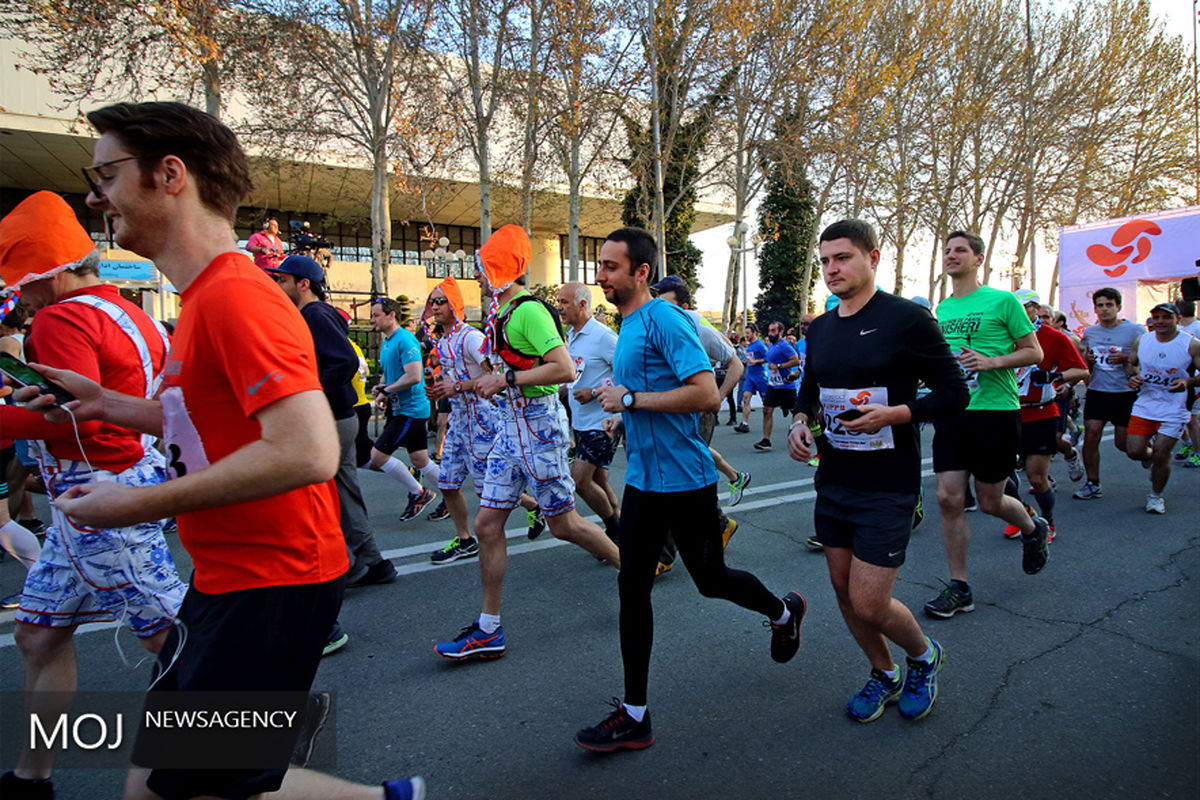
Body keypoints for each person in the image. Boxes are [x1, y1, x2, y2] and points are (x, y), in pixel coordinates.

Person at [18, 101, 425, 800]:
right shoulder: (204, 298)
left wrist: (134, 504)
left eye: (107, 175)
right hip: (227, 580)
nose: (94, 197)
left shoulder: (236, 297)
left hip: (271, 585)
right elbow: (209, 423)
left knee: (189, 787)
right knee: (165, 784)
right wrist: (105, 403)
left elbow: (306, 451)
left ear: (169, 174)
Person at [574, 227, 804, 752]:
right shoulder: (628, 325)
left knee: (711, 581)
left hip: (687, 482)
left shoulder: (666, 319)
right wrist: (624, 417)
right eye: (600, 265)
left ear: (641, 272)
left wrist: (629, 402)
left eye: (611, 266)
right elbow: (648, 392)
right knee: (632, 587)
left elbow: (704, 395)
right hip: (644, 483)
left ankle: (783, 612)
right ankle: (635, 714)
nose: (601, 275)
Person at [0, 191, 188, 800]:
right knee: (38, 634)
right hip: (104, 489)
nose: (21, 298)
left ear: (48, 273)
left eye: (22, 281)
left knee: (173, 637)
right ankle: (30, 779)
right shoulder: (131, 311)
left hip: (98, 493)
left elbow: (71, 420)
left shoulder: (60, 319)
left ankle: (250, 760)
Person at [789, 219, 967, 722]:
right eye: (825, 260)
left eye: (842, 257)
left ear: (873, 258)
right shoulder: (821, 327)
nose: (831, 269)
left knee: (869, 601)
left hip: (888, 484)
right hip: (835, 480)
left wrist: (896, 414)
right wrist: (800, 421)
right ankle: (883, 672)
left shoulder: (907, 319)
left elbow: (955, 392)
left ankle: (923, 656)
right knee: (844, 591)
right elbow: (811, 386)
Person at [434, 225, 619, 662]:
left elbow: (564, 370)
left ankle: (634, 575)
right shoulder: (500, 313)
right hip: (509, 429)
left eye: (482, 267)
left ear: (500, 269)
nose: (476, 276)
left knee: (564, 525)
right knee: (486, 525)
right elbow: (500, 371)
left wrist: (507, 379)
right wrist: (475, 383)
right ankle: (488, 629)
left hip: (539, 428)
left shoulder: (529, 312)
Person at [925, 230, 1050, 621]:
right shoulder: (943, 308)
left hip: (995, 411)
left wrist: (991, 361)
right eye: (947, 251)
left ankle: (1032, 528)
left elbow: (1034, 351)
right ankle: (959, 586)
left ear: (978, 259)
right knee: (948, 498)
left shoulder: (1002, 300)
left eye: (960, 250)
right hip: (954, 412)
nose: (951, 255)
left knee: (991, 501)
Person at [266, 254, 396, 596]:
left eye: (283, 279)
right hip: (338, 415)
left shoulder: (314, 314)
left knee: (324, 493)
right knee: (340, 491)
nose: (278, 285)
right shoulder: (316, 313)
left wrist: (311, 394)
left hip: (333, 417)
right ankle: (370, 562)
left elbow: (345, 360)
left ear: (303, 284)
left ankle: (349, 563)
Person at [423, 276, 546, 565]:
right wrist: (438, 389)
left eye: (441, 301)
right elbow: (450, 380)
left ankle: (533, 505)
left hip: (483, 423)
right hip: (458, 424)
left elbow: (494, 376)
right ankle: (465, 540)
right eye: (432, 302)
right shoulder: (444, 341)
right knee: (447, 484)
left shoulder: (471, 338)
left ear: (454, 304)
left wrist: (457, 387)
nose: (435, 307)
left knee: (487, 491)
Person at [1007, 290, 1089, 542]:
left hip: (1040, 412)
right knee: (998, 478)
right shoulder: (1000, 334)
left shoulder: (1053, 337)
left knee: (1036, 477)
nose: (1020, 312)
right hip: (1006, 412)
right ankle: (1023, 514)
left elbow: (1081, 370)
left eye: (1025, 307)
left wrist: (1054, 377)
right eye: (1015, 307)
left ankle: (1047, 521)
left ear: (1036, 308)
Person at [557, 282, 622, 543]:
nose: (559, 307)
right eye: (559, 302)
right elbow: (579, 371)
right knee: (599, 480)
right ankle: (621, 529)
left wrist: (595, 392)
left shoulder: (604, 336)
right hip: (581, 422)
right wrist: (565, 388)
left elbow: (628, 374)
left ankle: (615, 529)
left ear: (582, 305)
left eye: (564, 302)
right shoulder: (572, 335)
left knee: (580, 480)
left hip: (604, 421)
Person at [366, 297, 440, 521]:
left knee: (378, 456)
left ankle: (419, 493)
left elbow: (414, 376)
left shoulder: (405, 340)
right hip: (399, 408)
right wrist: (382, 389)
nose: (372, 320)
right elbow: (390, 373)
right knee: (420, 459)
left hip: (411, 409)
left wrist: (388, 391)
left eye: (376, 315)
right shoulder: (387, 342)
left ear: (392, 315)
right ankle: (451, 493)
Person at [1123, 302, 1200, 513]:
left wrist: (1188, 382)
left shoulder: (1191, 344)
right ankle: (1153, 461)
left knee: (1161, 454)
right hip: (1145, 404)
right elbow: (1130, 362)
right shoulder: (1143, 340)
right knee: (1134, 451)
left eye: (1166, 317)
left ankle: (1155, 496)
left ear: (1178, 319)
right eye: (1156, 317)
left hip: (1175, 406)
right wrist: (1132, 377)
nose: (1160, 321)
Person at [1073, 287, 1144, 500]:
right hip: (1098, 391)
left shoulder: (1135, 331)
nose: (1104, 309)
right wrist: (1088, 361)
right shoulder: (1091, 332)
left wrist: (1126, 358)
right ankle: (1093, 483)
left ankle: (1148, 453)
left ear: (1118, 307)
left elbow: (1146, 360)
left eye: (1109, 305)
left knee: (1123, 444)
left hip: (1124, 392)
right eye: (1100, 305)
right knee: (1091, 435)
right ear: (1095, 309)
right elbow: (1086, 362)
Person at [754, 320, 801, 451]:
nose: (770, 333)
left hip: (786, 385)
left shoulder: (784, 345)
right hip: (774, 385)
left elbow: (796, 360)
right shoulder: (772, 344)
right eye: (769, 331)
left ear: (781, 332)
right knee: (766, 410)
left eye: (773, 331)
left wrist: (779, 366)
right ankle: (766, 440)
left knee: (795, 412)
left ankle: (803, 433)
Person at [734, 323, 768, 433]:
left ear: (754, 333)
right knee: (745, 398)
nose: (746, 335)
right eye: (745, 333)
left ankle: (785, 406)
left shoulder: (760, 345)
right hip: (750, 376)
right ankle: (745, 424)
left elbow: (768, 358)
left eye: (748, 333)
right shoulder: (749, 346)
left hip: (760, 376)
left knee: (766, 402)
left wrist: (756, 361)